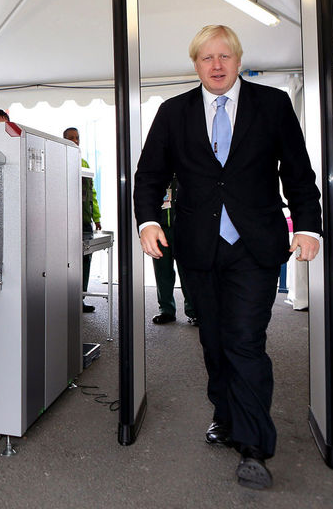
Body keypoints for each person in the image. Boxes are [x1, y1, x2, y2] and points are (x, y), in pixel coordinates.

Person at [133, 25, 321, 490]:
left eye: (224, 56)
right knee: (214, 342)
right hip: (197, 247)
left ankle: (255, 445)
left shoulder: (272, 105)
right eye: (206, 58)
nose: (216, 65)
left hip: (255, 245)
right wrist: (149, 220)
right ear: (195, 64)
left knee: (244, 341)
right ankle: (225, 414)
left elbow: (298, 172)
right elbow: (149, 174)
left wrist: (310, 226)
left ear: (238, 60)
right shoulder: (173, 112)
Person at [150, 176, 197, 326]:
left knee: (187, 271)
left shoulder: (186, 171)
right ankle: (166, 310)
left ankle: (194, 311)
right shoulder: (159, 174)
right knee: (162, 271)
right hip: (160, 229)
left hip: (184, 229)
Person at [63, 127, 99, 313]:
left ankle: (80, 299)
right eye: (71, 138)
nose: (75, 141)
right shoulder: (60, 161)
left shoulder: (84, 162)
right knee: (68, 262)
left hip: (85, 222)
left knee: (85, 261)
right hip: (67, 222)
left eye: (77, 138)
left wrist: (97, 217)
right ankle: (67, 299)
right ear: (64, 140)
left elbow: (91, 194)